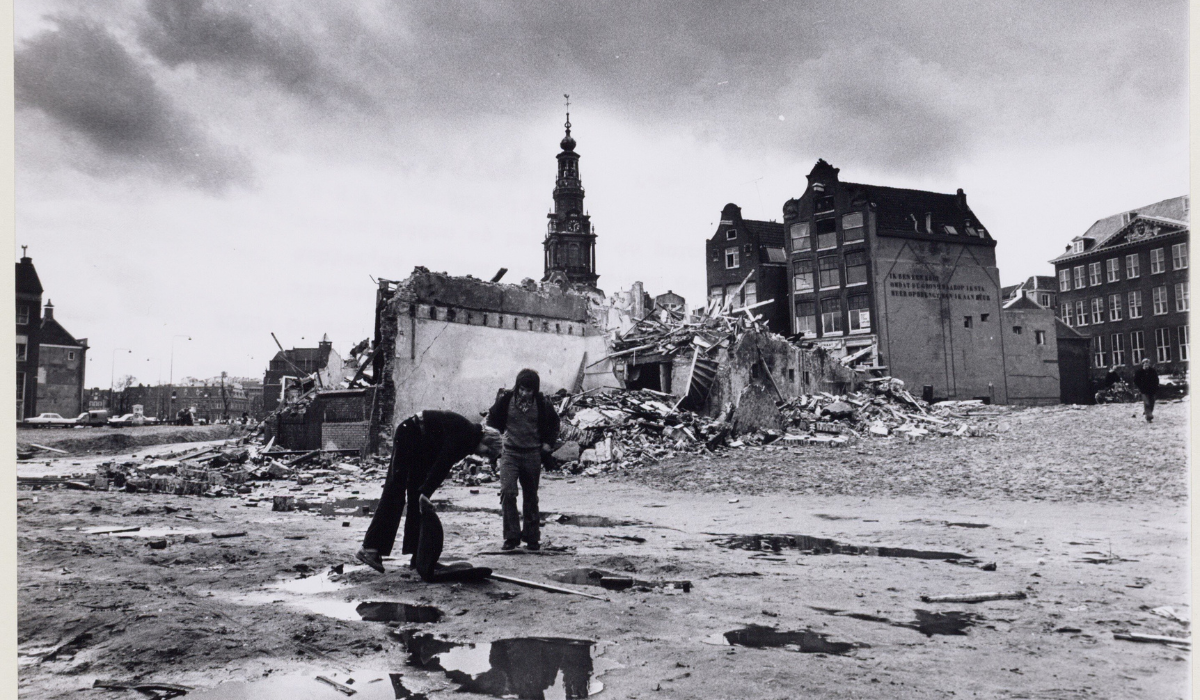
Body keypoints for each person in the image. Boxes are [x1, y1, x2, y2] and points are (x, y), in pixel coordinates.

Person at [356, 411, 503, 573]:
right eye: (487, 452)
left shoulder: (469, 436)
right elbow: (443, 464)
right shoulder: (467, 435)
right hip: (410, 433)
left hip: (421, 443)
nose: (483, 456)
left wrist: (424, 493)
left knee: (416, 498)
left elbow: (441, 463)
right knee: (395, 492)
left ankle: (418, 556)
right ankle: (370, 548)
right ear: (486, 440)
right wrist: (426, 492)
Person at [487, 369, 560, 551]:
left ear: (535, 390)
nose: (525, 394)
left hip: (532, 454)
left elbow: (554, 425)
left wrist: (547, 444)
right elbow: (491, 421)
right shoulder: (505, 401)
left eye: (529, 390)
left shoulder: (542, 403)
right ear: (517, 387)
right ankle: (511, 537)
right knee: (508, 492)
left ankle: (531, 537)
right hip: (509, 453)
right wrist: (495, 446)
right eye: (522, 389)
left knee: (530, 496)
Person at [1132, 358, 1159, 423]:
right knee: (1147, 403)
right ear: (1143, 364)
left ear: (1149, 364)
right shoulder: (1139, 372)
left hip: (1152, 390)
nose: (1146, 365)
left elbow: (1156, 379)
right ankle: (1149, 417)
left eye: (1147, 364)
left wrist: (1156, 386)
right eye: (1145, 364)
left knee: (1152, 403)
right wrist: (1140, 387)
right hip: (1144, 390)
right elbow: (1136, 380)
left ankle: (1148, 413)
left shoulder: (1153, 371)